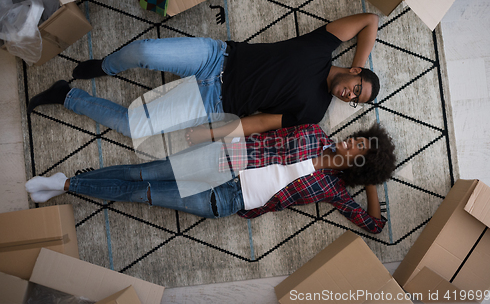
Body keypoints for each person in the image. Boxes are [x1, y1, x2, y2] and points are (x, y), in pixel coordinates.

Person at [27, 13, 380, 144]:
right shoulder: (322, 48)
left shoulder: (315, 110)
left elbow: (257, 124)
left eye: (354, 100)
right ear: (354, 71)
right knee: (146, 52)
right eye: (357, 88)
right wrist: (359, 66)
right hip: (218, 57)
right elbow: (369, 20)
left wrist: (210, 133)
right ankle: (106, 67)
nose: (350, 95)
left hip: (212, 103)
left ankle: (66, 96)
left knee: (134, 128)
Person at [25, 123, 396, 234]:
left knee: (144, 194)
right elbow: (263, 132)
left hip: (229, 201)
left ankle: (69, 185)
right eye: (359, 137)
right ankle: (66, 184)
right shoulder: (314, 132)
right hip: (223, 160)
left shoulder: (333, 190)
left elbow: (375, 225)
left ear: (358, 165)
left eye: (359, 149)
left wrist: (371, 183)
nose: (351, 142)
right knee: (144, 172)